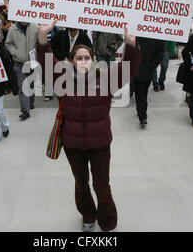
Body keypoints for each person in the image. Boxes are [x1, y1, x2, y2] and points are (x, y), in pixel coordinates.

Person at [37, 21, 141, 232]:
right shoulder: (62, 79)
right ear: (71, 61)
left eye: (87, 58)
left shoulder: (106, 79)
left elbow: (128, 70)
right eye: (79, 58)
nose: (83, 61)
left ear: (93, 60)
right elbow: (46, 60)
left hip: (100, 143)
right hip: (73, 144)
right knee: (81, 184)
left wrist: (131, 45)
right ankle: (87, 214)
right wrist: (42, 36)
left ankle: (108, 222)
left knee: (102, 186)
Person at [5, 22, 39, 120]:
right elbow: (8, 43)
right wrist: (16, 53)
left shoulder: (35, 27)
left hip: (32, 62)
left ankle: (30, 103)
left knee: (31, 84)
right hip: (19, 63)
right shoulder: (12, 29)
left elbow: (40, 42)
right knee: (22, 86)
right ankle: (25, 110)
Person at [134, 38, 164, 126]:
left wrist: (152, 65)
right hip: (137, 67)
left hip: (148, 68)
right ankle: (142, 116)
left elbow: (160, 52)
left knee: (144, 93)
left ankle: (142, 112)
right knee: (139, 92)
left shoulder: (158, 36)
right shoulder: (137, 33)